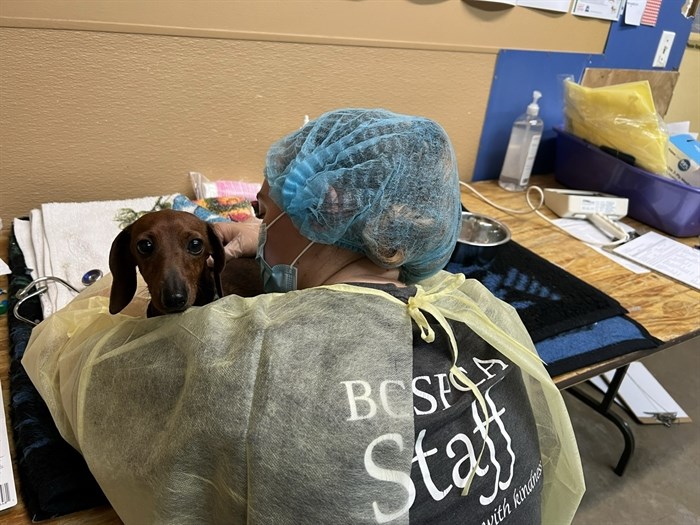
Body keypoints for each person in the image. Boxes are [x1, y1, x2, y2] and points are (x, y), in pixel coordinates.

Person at [23, 108, 584, 524]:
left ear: (328, 207)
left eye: (261, 211)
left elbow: (71, 365)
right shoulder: (482, 317)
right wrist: (264, 244)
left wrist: (95, 306)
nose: (253, 227)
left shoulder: (239, 363)